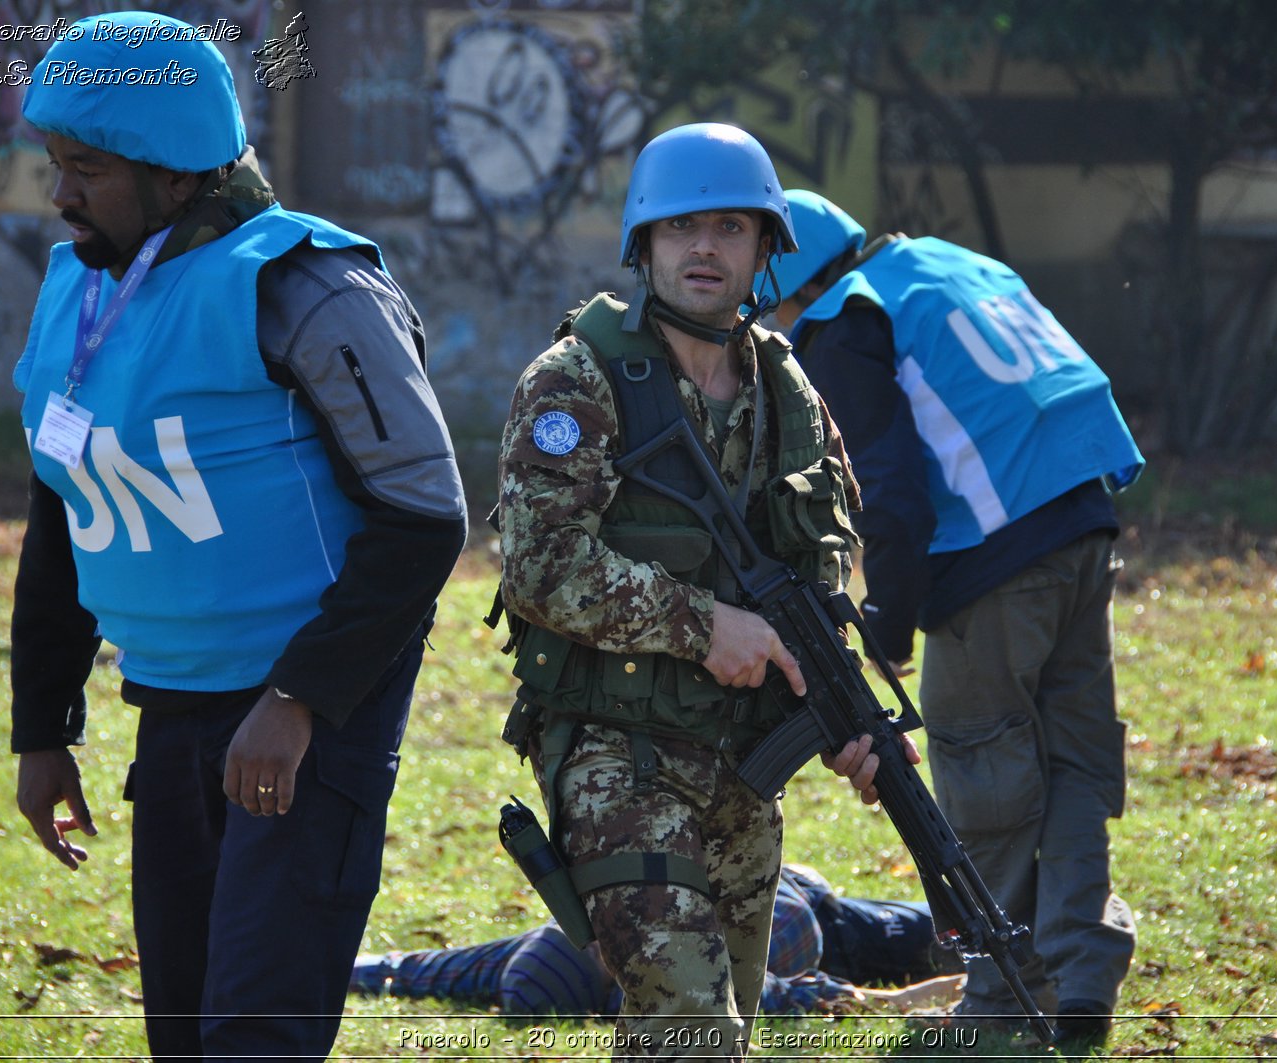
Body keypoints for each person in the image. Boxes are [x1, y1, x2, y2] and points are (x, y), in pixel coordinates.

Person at [7, 12, 467, 1060]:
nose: (61, 192)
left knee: (256, 1030)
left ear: (178, 176)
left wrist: (296, 701)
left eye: (87, 166)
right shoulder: (78, 284)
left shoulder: (308, 286)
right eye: (54, 161)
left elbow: (424, 518)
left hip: (309, 712)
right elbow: (60, 511)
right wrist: (44, 726)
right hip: (170, 706)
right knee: (185, 1026)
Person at [494, 123, 911, 1059]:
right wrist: (701, 623)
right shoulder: (578, 379)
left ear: (766, 247)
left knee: (729, 1031)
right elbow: (538, 565)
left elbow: (818, 575)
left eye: (731, 226)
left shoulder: (786, 389)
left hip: (741, 763)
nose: (705, 248)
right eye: (680, 227)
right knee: (686, 1029)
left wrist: (845, 718)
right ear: (644, 244)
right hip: (615, 753)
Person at [769, 190, 1144, 1050]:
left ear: (786, 283)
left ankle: (1001, 1002)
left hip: (990, 559)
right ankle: (1081, 979)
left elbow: (892, 500)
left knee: (987, 781)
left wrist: (888, 624)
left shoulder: (842, 322)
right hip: (1084, 523)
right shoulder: (946, 262)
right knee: (1076, 763)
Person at [351, 864, 964, 1015]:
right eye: (600, 959)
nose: (602, 944)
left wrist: (349, 969)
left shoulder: (547, 950)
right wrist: (908, 1001)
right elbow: (785, 999)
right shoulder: (667, 993)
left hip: (807, 893)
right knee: (971, 930)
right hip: (845, 937)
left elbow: (424, 971)